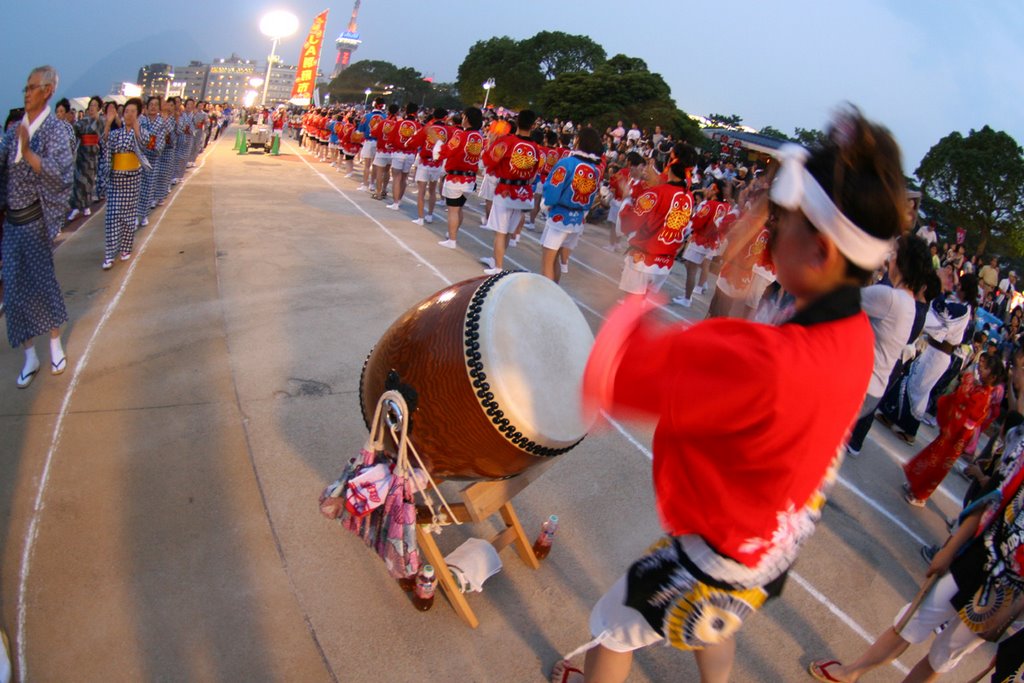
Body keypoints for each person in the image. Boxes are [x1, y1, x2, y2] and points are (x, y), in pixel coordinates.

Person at [553, 108, 907, 683]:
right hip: (769, 549)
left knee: (611, 627)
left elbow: (625, 373)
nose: (766, 236)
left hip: (716, 554)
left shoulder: (766, 361)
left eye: (777, 227)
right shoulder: (853, 338)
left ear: (819, 252)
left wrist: (617, 304)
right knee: (712, 624)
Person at [808, 416, 1024, 683]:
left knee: (943, 656)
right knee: (912, 620)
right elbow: (990, 501)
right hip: (977, 559)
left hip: (1008, 597)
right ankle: (851, 672)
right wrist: (950, 549)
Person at [0, 66, 74, 388]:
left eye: (32, 88)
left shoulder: (56, 131)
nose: (26, 93)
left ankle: (55, 343)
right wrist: (18, 144)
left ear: (47, 91)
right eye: (25, 88)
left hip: (35, 220)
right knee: (14, 293)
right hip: (12, 225)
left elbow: (59, 174)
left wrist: (28, 151)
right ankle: (30, 354)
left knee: (43, 284)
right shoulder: (15, 128)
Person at [845, 235, 934, 456]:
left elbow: (841, 298)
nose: (889, 259)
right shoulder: (909, 303)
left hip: (858, 385)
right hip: (872, 388)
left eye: (893, 255)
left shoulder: (890, 297)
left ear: (902, 263)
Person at [877, 272, 978, 445]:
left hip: (940, 355)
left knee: (919, 390)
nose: (957, 288)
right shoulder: (958, 304)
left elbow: (943, 314)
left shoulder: (963, 310)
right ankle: (890, 416)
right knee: (909, 381)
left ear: (965, 289)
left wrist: (938, 295)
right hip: (932, 350)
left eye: (960, 286)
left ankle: (910, 430)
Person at [901, 352, 1005, 506]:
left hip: (957, 437)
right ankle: (916, 485)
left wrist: (966, 384)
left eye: (987, 368)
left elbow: (965, 411)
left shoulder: (984, 396)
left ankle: (921, 495)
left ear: (993, 376)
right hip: (952, 433)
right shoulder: (980, 390)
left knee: (937, 467)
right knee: (931, 458)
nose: (981, 369)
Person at [480, 109, 541, 275]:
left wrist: (490, 142)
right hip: (523, 192)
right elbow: (534, 174)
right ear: (533, 125)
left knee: (500, 231)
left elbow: (489, 160)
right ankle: (496, 260)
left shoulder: (507, 141)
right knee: (507, 230)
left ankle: (498, 266)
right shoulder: (535, 148)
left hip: (505, 190)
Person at [539, 127, 603, 283]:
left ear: (579, 141)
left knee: (548, 260)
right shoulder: (594, 170)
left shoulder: (567, 163)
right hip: (577, 219)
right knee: (556, 259)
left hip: (560, 216)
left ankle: (547, 296)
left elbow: (553, 189)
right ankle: (554, 290)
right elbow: (592, 196)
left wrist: (547, 204)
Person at [100, 97, 151, 270]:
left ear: (138, 114)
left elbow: (146, 147)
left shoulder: (142, 132)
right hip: (116, 179)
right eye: (126, 111)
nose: (128, 114)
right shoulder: (116, 134)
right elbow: (104, 144)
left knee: (128, 216)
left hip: (132, 178)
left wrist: (137, 131)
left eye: (132, 112)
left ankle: (125, 247)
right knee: (112, 216)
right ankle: (109, 253)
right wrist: (107, 124)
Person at [434, 107, 484, 248]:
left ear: (467, 119)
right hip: (470, 178)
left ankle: (452, 239)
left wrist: (438, 145)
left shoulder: (461, 135)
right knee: (459, 208)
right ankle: (453, 234)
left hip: (456, 177)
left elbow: (446, 151)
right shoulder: (479, 137)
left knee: (453, 210)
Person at [408, 108, 448, 226]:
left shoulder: (427, 128)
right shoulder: (448, 130)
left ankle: (420, 218)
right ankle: (430, 215)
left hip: (425, 162)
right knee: (432, 190)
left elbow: (415, 142)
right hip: (437, 163)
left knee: (421, 191)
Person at [67, 95, 103, 221]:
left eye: (95, 105)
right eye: (91, 105)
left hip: (93, 155)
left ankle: (86, 205)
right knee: (78, 181)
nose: (92, 107)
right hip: (82, 154)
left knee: (89, 181)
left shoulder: (101, 121)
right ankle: (76, 206)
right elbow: (74, 132)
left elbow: (103, 135)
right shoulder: (83, 121)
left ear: (99, 108)